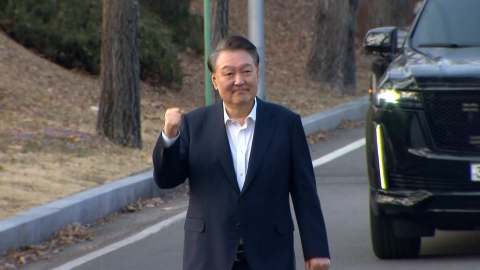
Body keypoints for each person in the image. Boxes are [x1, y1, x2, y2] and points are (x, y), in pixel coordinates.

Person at [152, 35, 330, 270]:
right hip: (209, 256)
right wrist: (169, 135)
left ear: (257, 72)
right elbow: (166, 179)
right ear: (214, 80)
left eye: (246, 71)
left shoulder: (286, 124)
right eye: (228, 74)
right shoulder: (194, 125)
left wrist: (316, 250)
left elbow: (304, 192)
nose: (239, 81)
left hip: (270, 256)